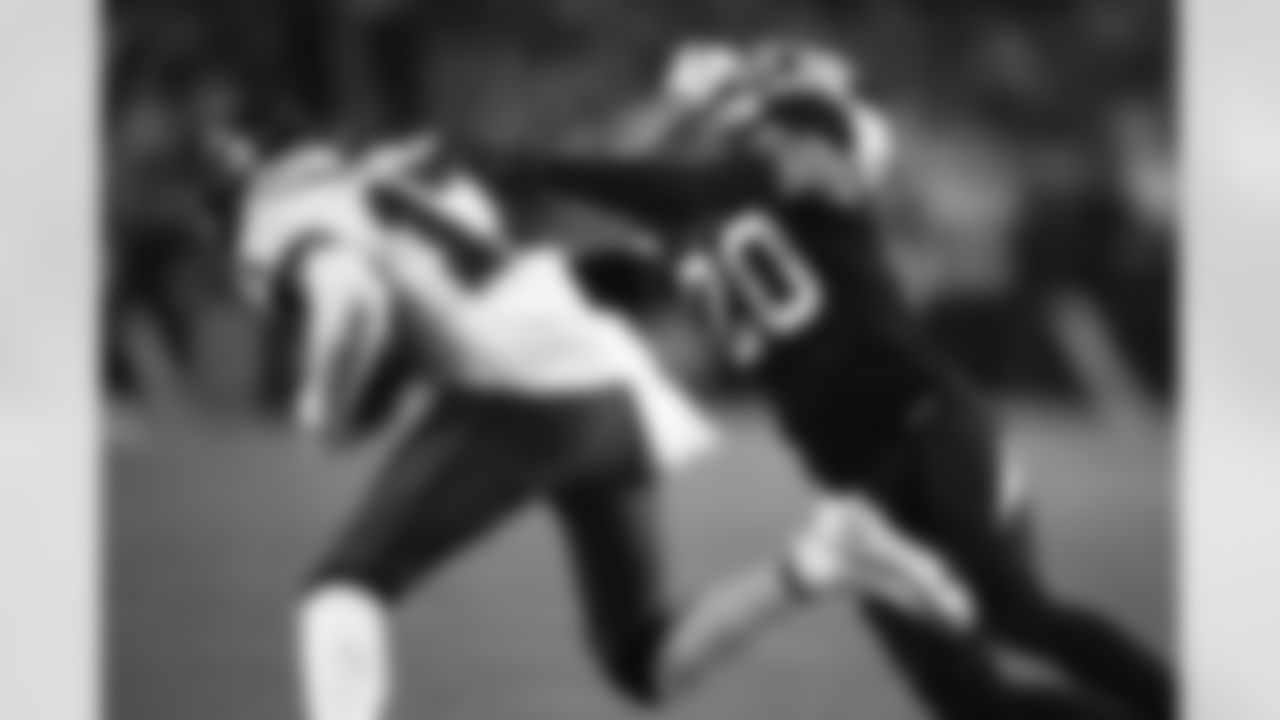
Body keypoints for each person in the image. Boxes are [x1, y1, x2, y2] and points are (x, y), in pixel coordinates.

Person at [467, 39, 1175, 720]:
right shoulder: (694, 228)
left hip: (928, 429)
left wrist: (535, 165)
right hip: (858, 497)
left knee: (1014, 609)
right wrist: (460, 253)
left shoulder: (807, 151)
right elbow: (590, 272)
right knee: (972, 703)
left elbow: (694, 187)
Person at [230, 134, 968, 720]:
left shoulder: (281, 204)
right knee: (644, 660)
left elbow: (352, 302)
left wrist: (320, 412)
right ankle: (823, 558)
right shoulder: (403, 161)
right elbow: (478, 264)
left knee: (343, 588)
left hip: (521, 384)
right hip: (610, 384)